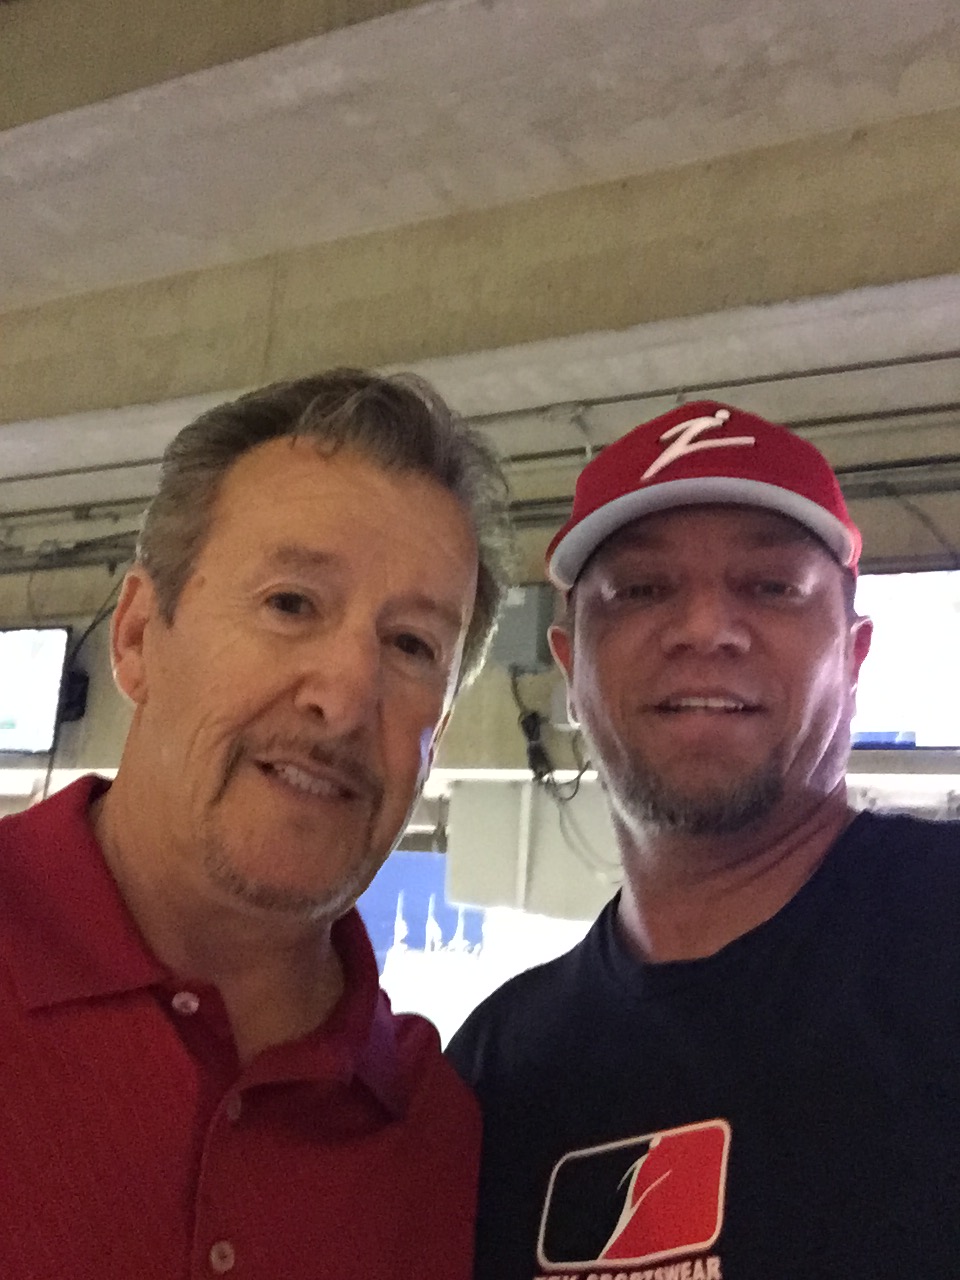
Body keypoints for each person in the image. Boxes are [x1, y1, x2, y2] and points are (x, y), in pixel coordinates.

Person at [0, 369, 511, 1280]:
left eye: (411, 645)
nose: (345, 698)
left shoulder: (434, 1134)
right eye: (290, 603)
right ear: (137, 636)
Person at [447, 401, 960, 1280]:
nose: (704, 629)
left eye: (771, 586)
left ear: (854, 657)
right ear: (571, 667)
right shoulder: (498, 1069)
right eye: (642, 590)